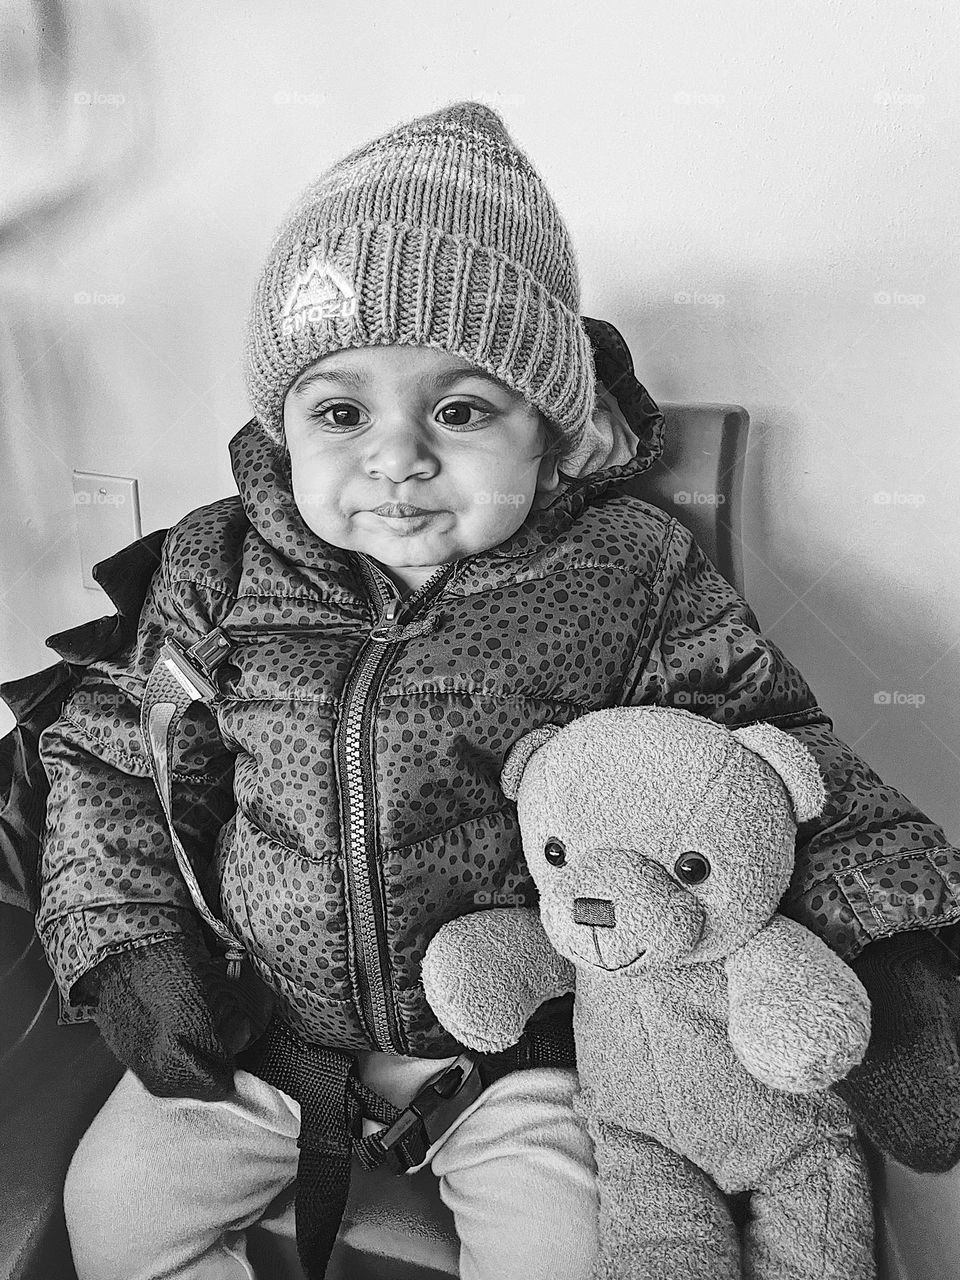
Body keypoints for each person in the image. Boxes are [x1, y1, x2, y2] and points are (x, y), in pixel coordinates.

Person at [36, 99, 960, 1280]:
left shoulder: (622, 571)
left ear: (551, 434)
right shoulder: (219, 565)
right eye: (341, 410)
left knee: (568, 1252)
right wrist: (131, 945)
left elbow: (772, 755)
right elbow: (117, 751)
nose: (397, 454)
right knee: (114, 1208)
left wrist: (886, 948)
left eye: (461, 409)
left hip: (523, 1045)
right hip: (264, 1029)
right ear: (284, 427)